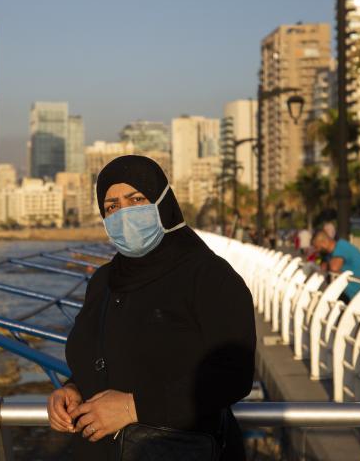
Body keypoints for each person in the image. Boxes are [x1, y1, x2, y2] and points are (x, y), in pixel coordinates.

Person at [47, 155, 255, 460]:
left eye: (137, 199)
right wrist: (73, 388)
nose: (124, 213)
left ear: (162, 202)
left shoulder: (208, 275)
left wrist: (134, 408)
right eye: (112, 207)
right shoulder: (104, 280)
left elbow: (233, 375)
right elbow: (100, 355)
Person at [310, 229, 360, 300]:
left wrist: (325, 262)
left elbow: (334, 268)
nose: (316, 250)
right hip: (357, 293)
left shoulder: (341, 246)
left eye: (317, 247)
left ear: (323, 243)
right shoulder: (331, 254)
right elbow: (323, 267)